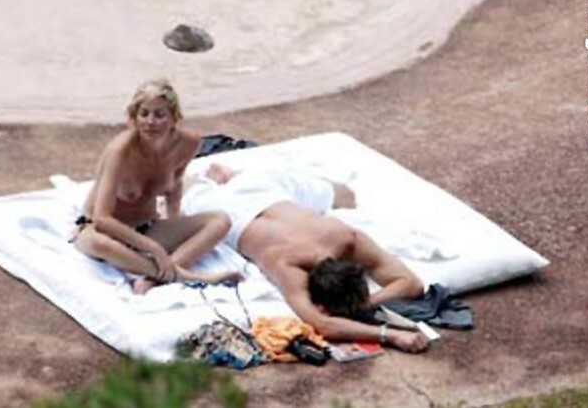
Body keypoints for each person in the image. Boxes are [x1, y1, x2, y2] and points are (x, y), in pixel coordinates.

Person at [182, 164, 430, 353]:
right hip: (234, 206)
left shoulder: (344, 238)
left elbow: (412, 284)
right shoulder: (289, 263)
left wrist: (368, 302)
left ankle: (225, 175)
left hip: (264, 192)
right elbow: (323, 324)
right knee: (187, 184)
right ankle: (222, 177)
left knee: (346, 195)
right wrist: (389, 334)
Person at [72, 79, 241, 294]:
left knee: (220, 221)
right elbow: (101, 218)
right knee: (99, 244)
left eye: (159, 115)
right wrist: (154, 248)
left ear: (173, 117)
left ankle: (153, 278)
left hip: (147, 227)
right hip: (101, 231)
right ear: (134, 116)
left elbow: (175, 185)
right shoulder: (120, 150)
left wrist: (174, 221)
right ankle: (183, 276)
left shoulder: (188, 142)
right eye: (144, 114)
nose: (150, 122)